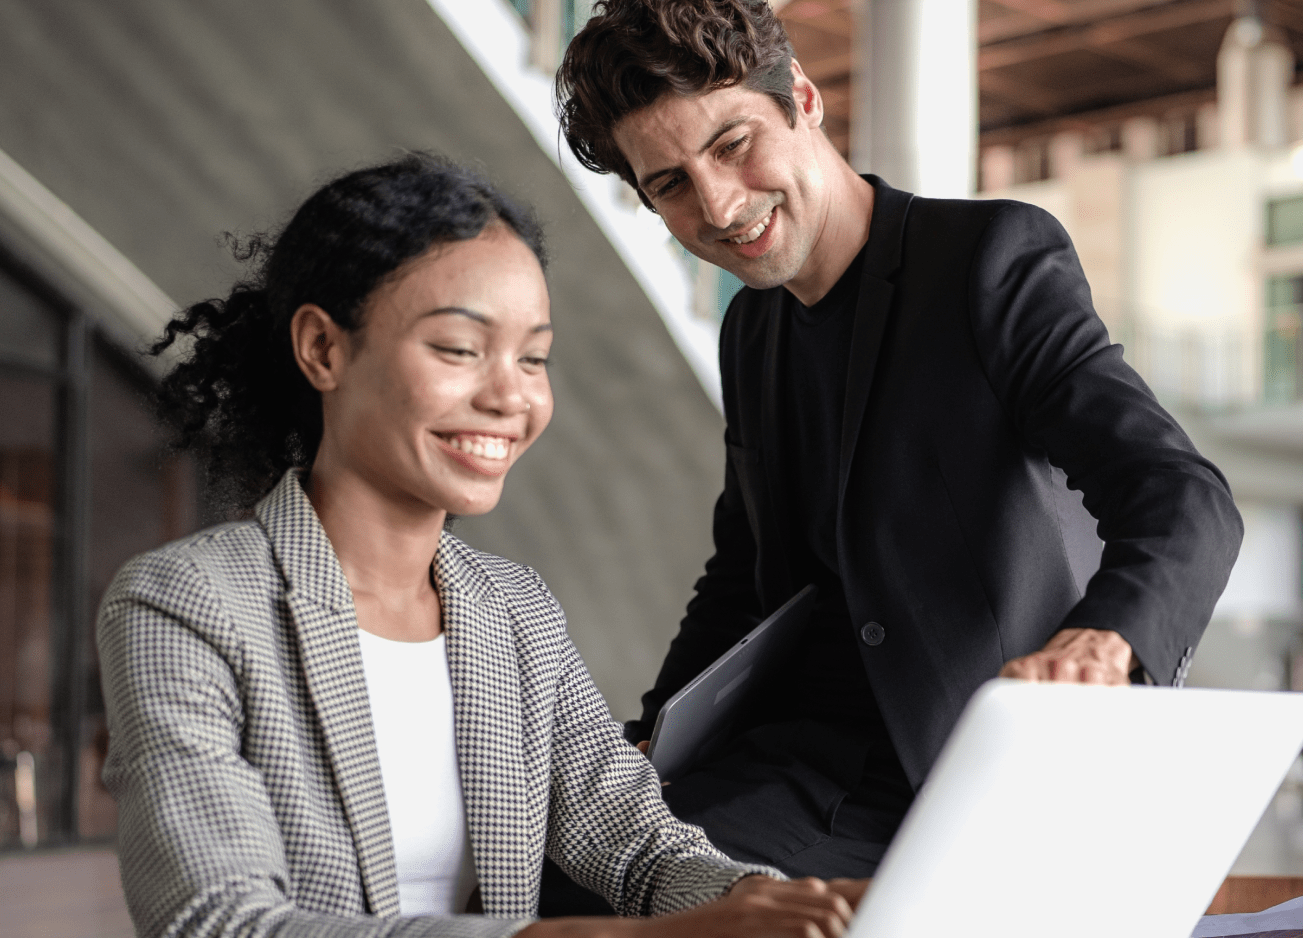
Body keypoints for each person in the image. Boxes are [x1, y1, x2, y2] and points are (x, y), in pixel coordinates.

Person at [551, 0, 1243, 886]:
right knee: (553, 869)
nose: (719, 205)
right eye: (671, 186)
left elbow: (1182, 497)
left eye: (732, 145)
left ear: (804, 99)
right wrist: (654, 739)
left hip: (951, 772)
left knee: (642, 898)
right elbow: (742, 572)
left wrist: (1104, 644)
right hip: (791, 761)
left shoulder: (986, 260)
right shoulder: (751, 329)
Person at [96, 153, 866, 937]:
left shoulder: (515, 611)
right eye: (460, 349)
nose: (510, 396)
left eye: (533, 358)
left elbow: (641, 848)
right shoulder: (185, 604)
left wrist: (788, 904)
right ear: (324, 349)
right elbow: (218, 922)